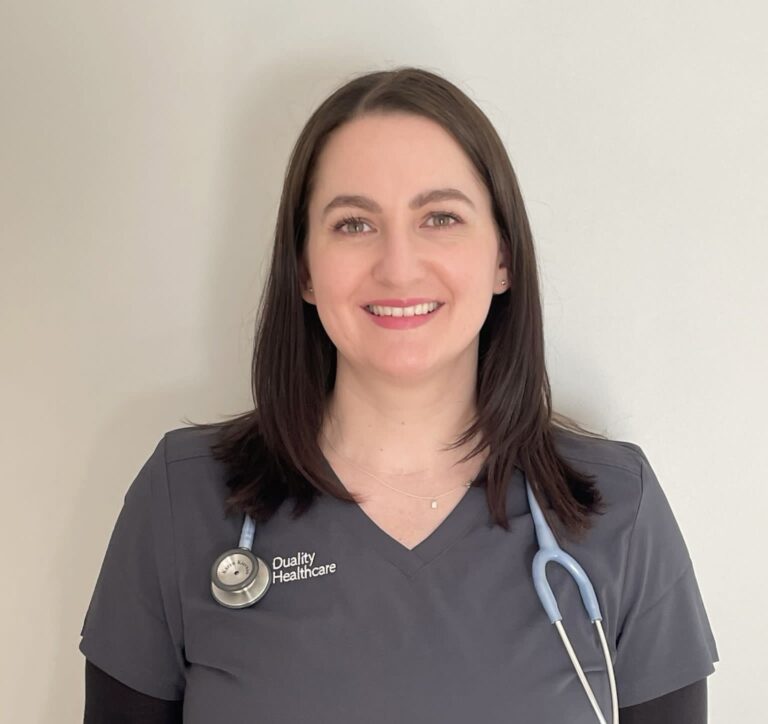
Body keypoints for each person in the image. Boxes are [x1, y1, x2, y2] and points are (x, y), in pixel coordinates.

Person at [79, 67, 718, 723]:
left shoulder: (617, 509)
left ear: (502, 256)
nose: (398, 266)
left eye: (439, 217)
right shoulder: (183, 501)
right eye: (354, 224)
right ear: (302, 266)